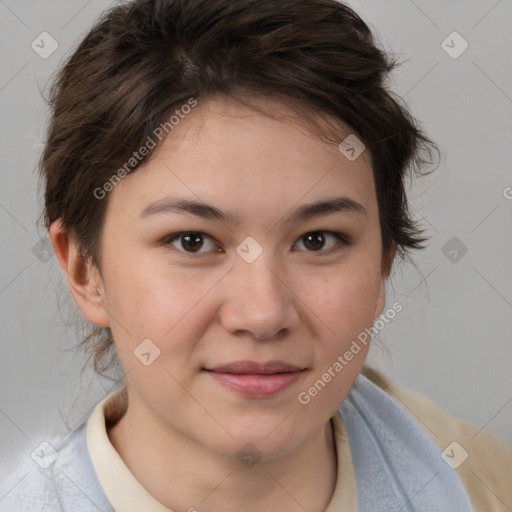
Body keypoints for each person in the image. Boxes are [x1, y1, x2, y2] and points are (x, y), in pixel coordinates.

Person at [1, 0, 510, 510]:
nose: (263, 314)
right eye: (192, 241)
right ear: (84, 269)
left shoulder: (484, 484)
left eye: (318, 240)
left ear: (383, 264)